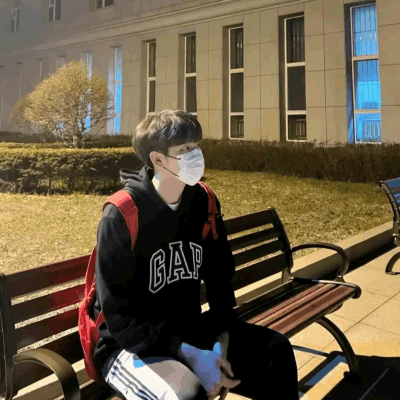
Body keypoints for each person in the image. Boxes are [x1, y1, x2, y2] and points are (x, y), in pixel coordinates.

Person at [92, 109, 299, 400]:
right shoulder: (123, 214)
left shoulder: (204, 202)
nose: (196, 156)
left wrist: (220, 346)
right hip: (129, 346)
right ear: (158, 159)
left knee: (275, 352)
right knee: (187, 393)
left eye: (197, 146)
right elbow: (119, 316)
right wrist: (189, 354)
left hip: (189, 329)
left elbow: (219, 279)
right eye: (185, 149)